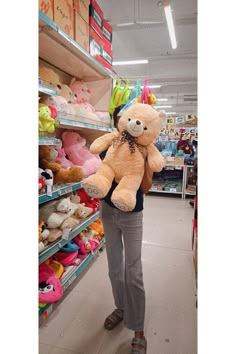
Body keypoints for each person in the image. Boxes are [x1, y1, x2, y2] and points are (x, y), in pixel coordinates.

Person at [100, 105, 153, 354]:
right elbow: (103, 174)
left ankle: (138, 328)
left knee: (134, 272)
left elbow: (146, 187)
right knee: (114, 268)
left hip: (132, 214)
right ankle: (121, 307)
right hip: (108, 210)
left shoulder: (145, 145)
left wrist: (141, 161)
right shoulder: (110, 143)